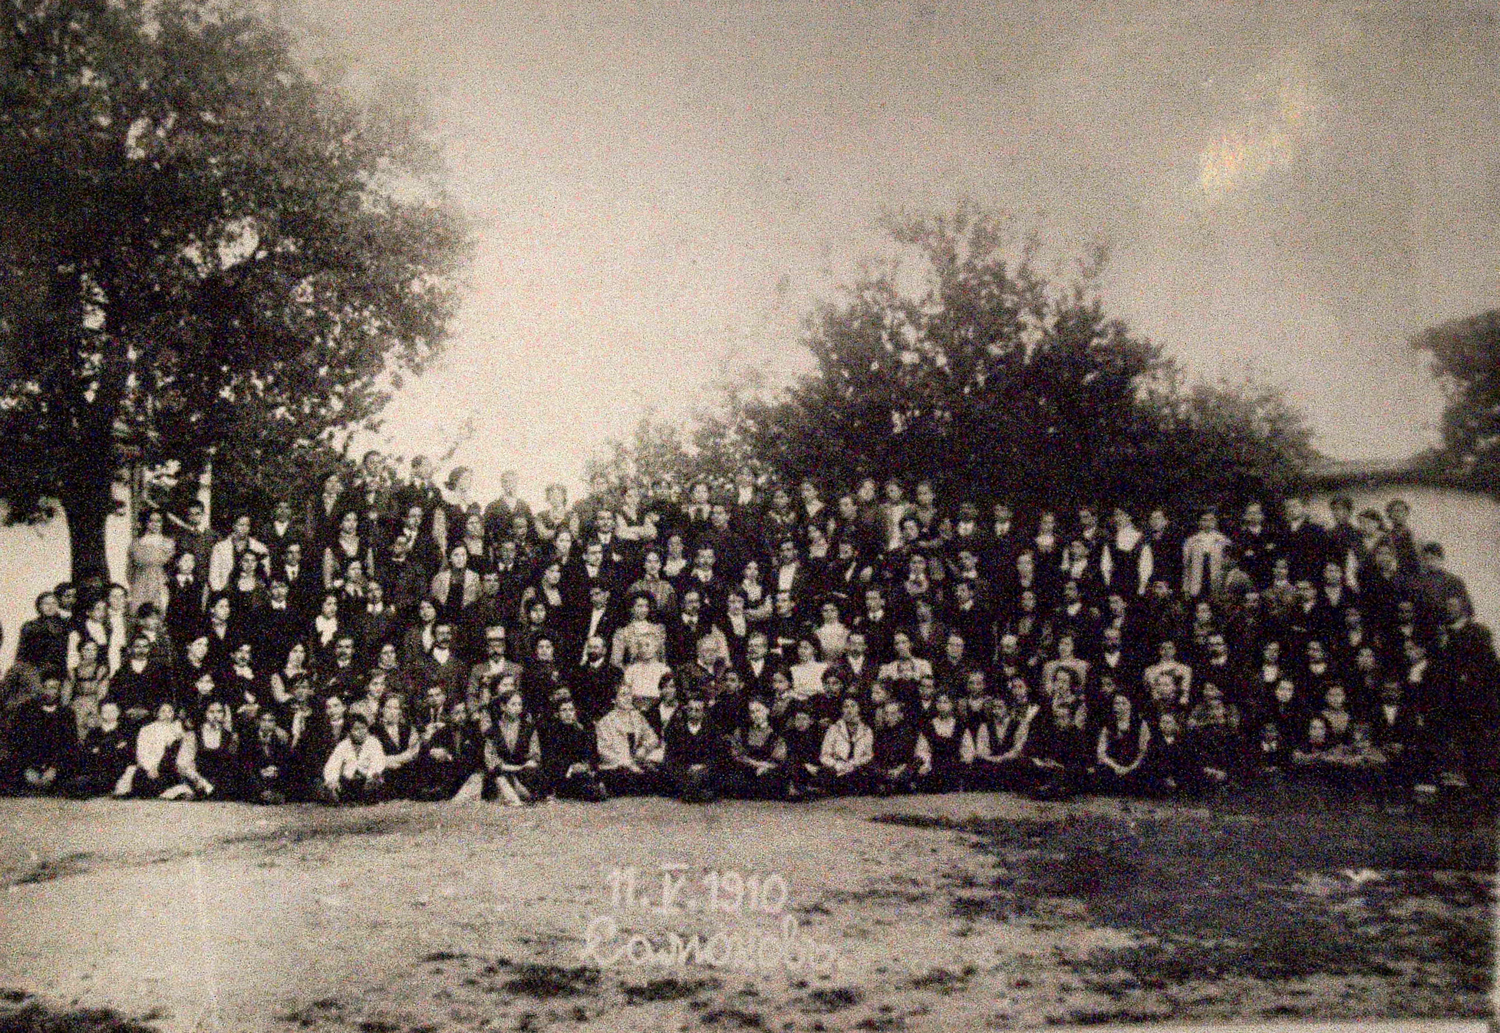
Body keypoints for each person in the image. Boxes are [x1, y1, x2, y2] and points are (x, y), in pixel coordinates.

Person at [539, 697, 608, 801]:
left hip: (581, 772)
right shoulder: (551, 733)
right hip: (562, 775)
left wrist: (586, 765)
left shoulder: (581, 732)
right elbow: (550, 760)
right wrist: (571, 767)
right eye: (564, 710)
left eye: (571, 710)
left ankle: (594, 787)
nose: (568, 713)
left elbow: (591, 755)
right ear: (557, 714)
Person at [662, 696, 721, 803]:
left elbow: (716, 755)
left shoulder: (712, 730)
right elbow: (670, 756)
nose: (693, 713)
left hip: (704, 769)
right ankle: (695, 792)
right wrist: (687, 767)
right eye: (690, 709)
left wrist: (702, 766)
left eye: (697, 710)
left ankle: (693, 791)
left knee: (708, 776)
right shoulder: (677, 730)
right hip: (683, 770)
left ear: (704, 712)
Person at [322, 712, 387, 804]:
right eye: (356, 729)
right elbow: (333, 765)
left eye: (363, 728)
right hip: (349, 780)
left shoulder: (374, 742)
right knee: (336, 786)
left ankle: (365, 798)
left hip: (367, 779)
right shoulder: (343, 745)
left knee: (376, 783)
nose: (361, 732)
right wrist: (332, 780)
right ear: (349, 732)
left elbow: (378, 762)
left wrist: (371, 776)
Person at [818, 696, 874, 796]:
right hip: (837, 767)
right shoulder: (834, 728)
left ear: (859, 709)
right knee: (826, 773)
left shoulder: (866, 730)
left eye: (853, 706)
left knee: (866, 773)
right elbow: (824, 755)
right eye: (846, 707)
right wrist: (836, 765)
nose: (849, 710)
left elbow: (868, 755)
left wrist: (854, 763)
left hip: (855, 767)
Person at [127, 509, 177, 616]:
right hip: (140, 586)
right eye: (151, 521)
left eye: (158, 521)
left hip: (161, 586)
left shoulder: (169, 544)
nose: (155, 524)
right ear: (145, 522)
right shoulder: (135, 544)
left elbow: (173, 569)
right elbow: (130, 570)